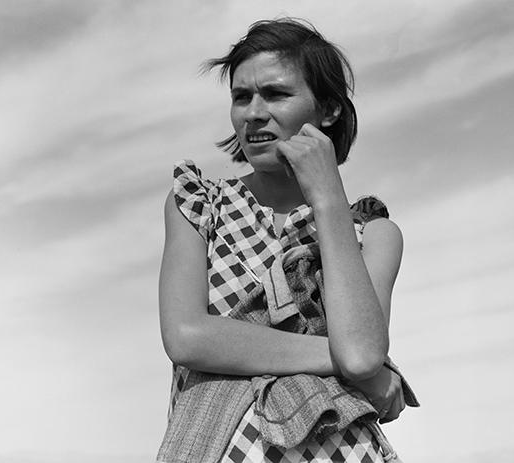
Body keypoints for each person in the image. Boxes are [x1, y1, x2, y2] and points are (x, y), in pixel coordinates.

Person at [157, 18, 418, 463]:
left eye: (276, 94)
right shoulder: (202, 205)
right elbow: (186, 336)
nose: (254, 112)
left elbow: (360, 354)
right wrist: (361, 367)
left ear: (330, 110)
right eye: (241, 97)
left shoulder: (372, 234)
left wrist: (329, 199)